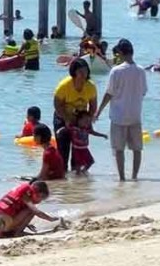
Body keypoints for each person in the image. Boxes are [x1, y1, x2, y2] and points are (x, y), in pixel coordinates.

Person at [96, 39, 147, 181]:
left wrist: (98, 111)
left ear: (120, 53)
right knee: (137, 148)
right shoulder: (141, 71)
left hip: (119, 116)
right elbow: (143, 91)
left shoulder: (116, 71)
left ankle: (122, 177)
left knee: (119, 149)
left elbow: (109, 93)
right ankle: (135, 176)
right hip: (135, 114)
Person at [53, 58, 98, 169]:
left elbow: (93, 106)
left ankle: (77, 181)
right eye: (81, 72)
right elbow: (57, 105)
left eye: (86, 71)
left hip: (81, 120)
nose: (84, 74)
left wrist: (88, 121)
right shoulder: (64, 86)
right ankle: (62, 177)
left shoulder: (91, 87)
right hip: (62, 117)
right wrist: (67, 119)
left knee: (78, 151)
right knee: (63, 150)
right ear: (74, 72)